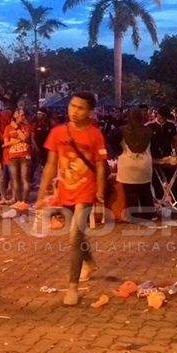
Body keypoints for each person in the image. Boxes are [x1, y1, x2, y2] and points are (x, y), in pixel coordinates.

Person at [35, 91, 107, 306]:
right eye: (72, 106)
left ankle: (73, 287)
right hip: (65, 191)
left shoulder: (95, 135)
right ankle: (89, 260)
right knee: (77, 237)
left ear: (90, 111)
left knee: (74, 237)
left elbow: (101, 166)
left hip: (86, 191)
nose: (74, 111)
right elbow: (50, 164)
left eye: (80, 108)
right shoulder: (57, 132)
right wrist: (42, 194)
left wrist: (101, 193)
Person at [117, 108, 155, 222]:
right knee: (145, 190)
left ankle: (133, 215)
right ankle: (149, 214)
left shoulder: (122, 130)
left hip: (127, 164)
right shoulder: (148, 131)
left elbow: (111, 142)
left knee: (130, 192)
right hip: (144, 164)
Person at [146, 106, 177, 204]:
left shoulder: (171, 125)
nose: (163, 119)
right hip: (154, 157)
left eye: (165, 118)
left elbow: (174, 141)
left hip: (168, 156)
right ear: (157, 115)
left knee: (173, 179)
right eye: (161, 117)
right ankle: (159, 201)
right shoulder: (149, 126)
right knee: (156, 181)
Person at [2, 109, 31, 206]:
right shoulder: (8, 128)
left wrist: (17, 129)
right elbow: (5, 144)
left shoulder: (26, 127)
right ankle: (18, 201)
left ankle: (24, 201)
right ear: (15, 116)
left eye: (23, 115)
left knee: (25, 179)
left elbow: (25, 138)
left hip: (24, 155)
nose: (22, 117)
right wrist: (18, 140)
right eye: (20, 115)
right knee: (15, 180)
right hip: (13, 156)